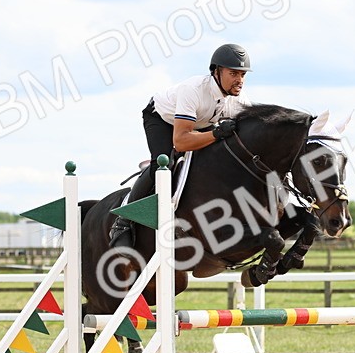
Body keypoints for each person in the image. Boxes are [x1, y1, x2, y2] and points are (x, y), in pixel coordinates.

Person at [108, 43, 253, 246]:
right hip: (162, 120)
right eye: (234, 74)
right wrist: (217, 133)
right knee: (163, 165)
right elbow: (181, 141)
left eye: (243, 75)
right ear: (217, 72)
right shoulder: (193, 90)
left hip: (200, 124)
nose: (239, 80)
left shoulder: (238, 101)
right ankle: (122, 222)